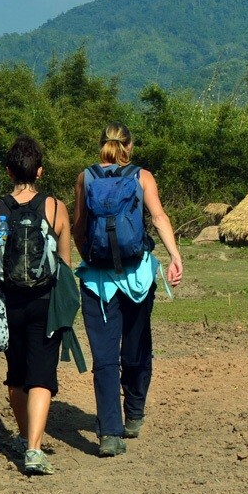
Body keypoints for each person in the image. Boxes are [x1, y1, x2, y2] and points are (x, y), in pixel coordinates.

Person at [0, 136, 71, 476]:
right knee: (41, 376)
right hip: (45, 302)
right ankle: (34, 449)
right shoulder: (55, 207)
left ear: (8, 171)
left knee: (17, 375)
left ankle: (23, 438)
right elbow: (64, 264)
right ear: (40, 171)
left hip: (9, 304)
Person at [74, 122, 183, 457]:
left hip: (97, 281)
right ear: (129, 147)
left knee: (104, 358)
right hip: (137, 278)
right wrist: (175, 256)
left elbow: (79, 226)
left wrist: (90, 259)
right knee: (136, 346)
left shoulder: (86, 177)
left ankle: (109, 433)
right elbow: (159, 217)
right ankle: (133, 415)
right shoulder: (142, 176)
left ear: (101, 146)